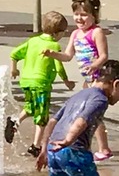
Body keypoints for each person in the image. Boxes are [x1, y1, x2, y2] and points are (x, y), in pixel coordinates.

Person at [6, 11, 71, 155]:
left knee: (31, 106)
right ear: (58, 33)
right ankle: (36, 146)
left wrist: (14, 70)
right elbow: (59, 66)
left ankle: (15, 121)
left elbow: (14, 54)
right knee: (42, 115)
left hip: (27, 81)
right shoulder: (53, 46)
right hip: (41, 84)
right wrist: (66, 81)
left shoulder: (33, 41)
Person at [66, 0, 113, 159]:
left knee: (93, 115)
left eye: (84, 14)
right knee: (91, 114)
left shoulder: (96, 32)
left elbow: (104, 56)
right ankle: (94, 146)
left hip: (98, 79)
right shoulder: (75, 34)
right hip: (87, 80)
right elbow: (67, 55)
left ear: (95, 15)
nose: (79, 18)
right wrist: (51, 54)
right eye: (77, 14)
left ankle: (104, 149)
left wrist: (95, 65)